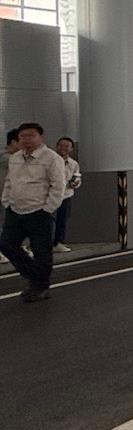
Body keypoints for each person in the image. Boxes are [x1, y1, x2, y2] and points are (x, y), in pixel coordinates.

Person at [1, 122, 66, 301]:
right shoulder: (15, 158)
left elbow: (58, 186)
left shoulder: (51, 158)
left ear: (40, 137)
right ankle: (36, 277)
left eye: (31, 135)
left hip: (39, 212)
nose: (27, 139)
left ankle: (39, 286)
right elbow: (9, 181)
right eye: (23, 136)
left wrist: (48, 209)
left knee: (41, 251)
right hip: (15, 210)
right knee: (6, 244)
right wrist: (6, 202)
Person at [51, 136, 81, 253]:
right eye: (61, 145)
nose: (63, 148)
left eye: (66, 146)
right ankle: (42, 243)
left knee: (62, 220)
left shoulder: (73, 164)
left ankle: (58, 242)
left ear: (71, 149)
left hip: (65, 195)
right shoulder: (50, 160)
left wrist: (75, 183)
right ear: (56, 146)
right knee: (46, 221)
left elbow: (76, 179)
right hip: (49, 195)